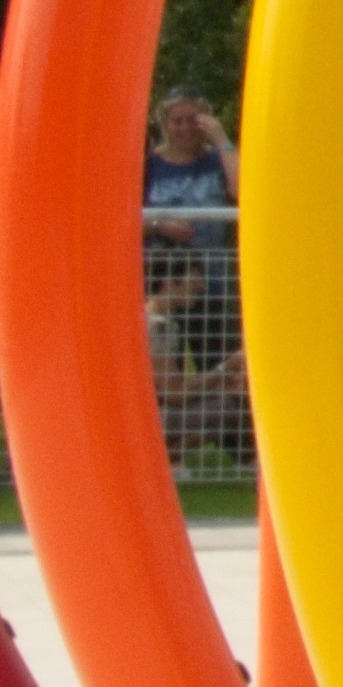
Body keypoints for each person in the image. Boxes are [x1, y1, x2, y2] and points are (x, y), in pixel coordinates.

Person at [142, 90, 242, 457]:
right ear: (164, 123)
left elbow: (242, 190)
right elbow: (121, 215)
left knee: (219, 361)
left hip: (209, 282)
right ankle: (163, 448)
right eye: (176, 121)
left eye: (192, 120)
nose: (184, 128)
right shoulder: (150, 165)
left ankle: (238, 450)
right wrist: (160, 225)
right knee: (162, 370)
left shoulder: (216, 160)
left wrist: (221, 139)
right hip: (165, 283)